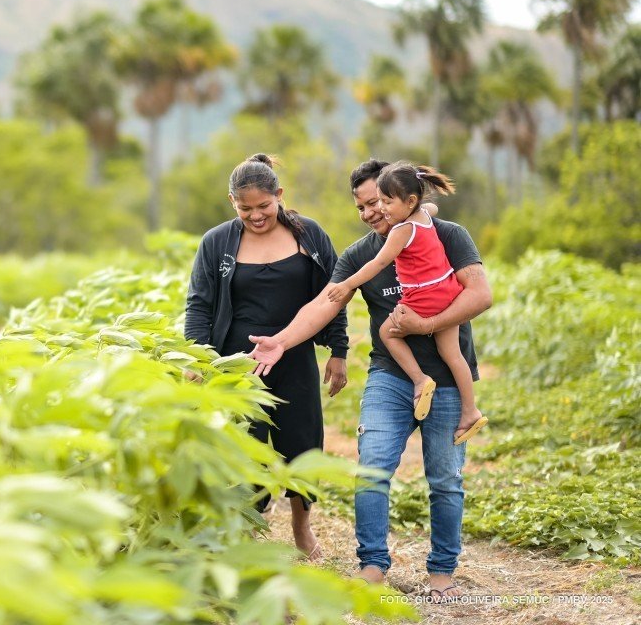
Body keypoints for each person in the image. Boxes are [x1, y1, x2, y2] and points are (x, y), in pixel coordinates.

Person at [246, 159, 492, 602]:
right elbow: (326, 302)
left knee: (445, 480)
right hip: (390, 378)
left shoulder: (448, 235)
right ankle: (372, 566)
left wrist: (426, 323)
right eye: (361, 207)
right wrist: (281, 341)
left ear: (399, 198)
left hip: (449, 381)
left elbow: (481, 294)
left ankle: (442, 574)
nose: (369, 213)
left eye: (376, 202)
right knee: (372, 470)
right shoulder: (361, 253)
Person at [184, 153, 349, 560]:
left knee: (302, 441)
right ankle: (247, 528)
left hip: (294, 357)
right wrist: (197, 358)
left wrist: (339, 350)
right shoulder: (217, 241)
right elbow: (199, 305)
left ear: (280, 195)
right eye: (245, 209)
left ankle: (301, 525)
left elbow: (335, 293)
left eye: (264, 206)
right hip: (236, 363)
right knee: (244, 443)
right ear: (231, 202)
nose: (256, 216)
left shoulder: (309, 235)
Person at [325, 162, 487, 445]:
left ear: (408, 201)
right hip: (446, 293)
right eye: (363, 207)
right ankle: (470, 410)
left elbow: (379, 262)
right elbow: (430, 208)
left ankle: (419, 380)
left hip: (422, 299)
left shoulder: (401, 231)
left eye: (383, 202)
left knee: (389, 333)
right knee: (454, 355)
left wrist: (348, 284)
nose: (381, 211)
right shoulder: (424, 214)